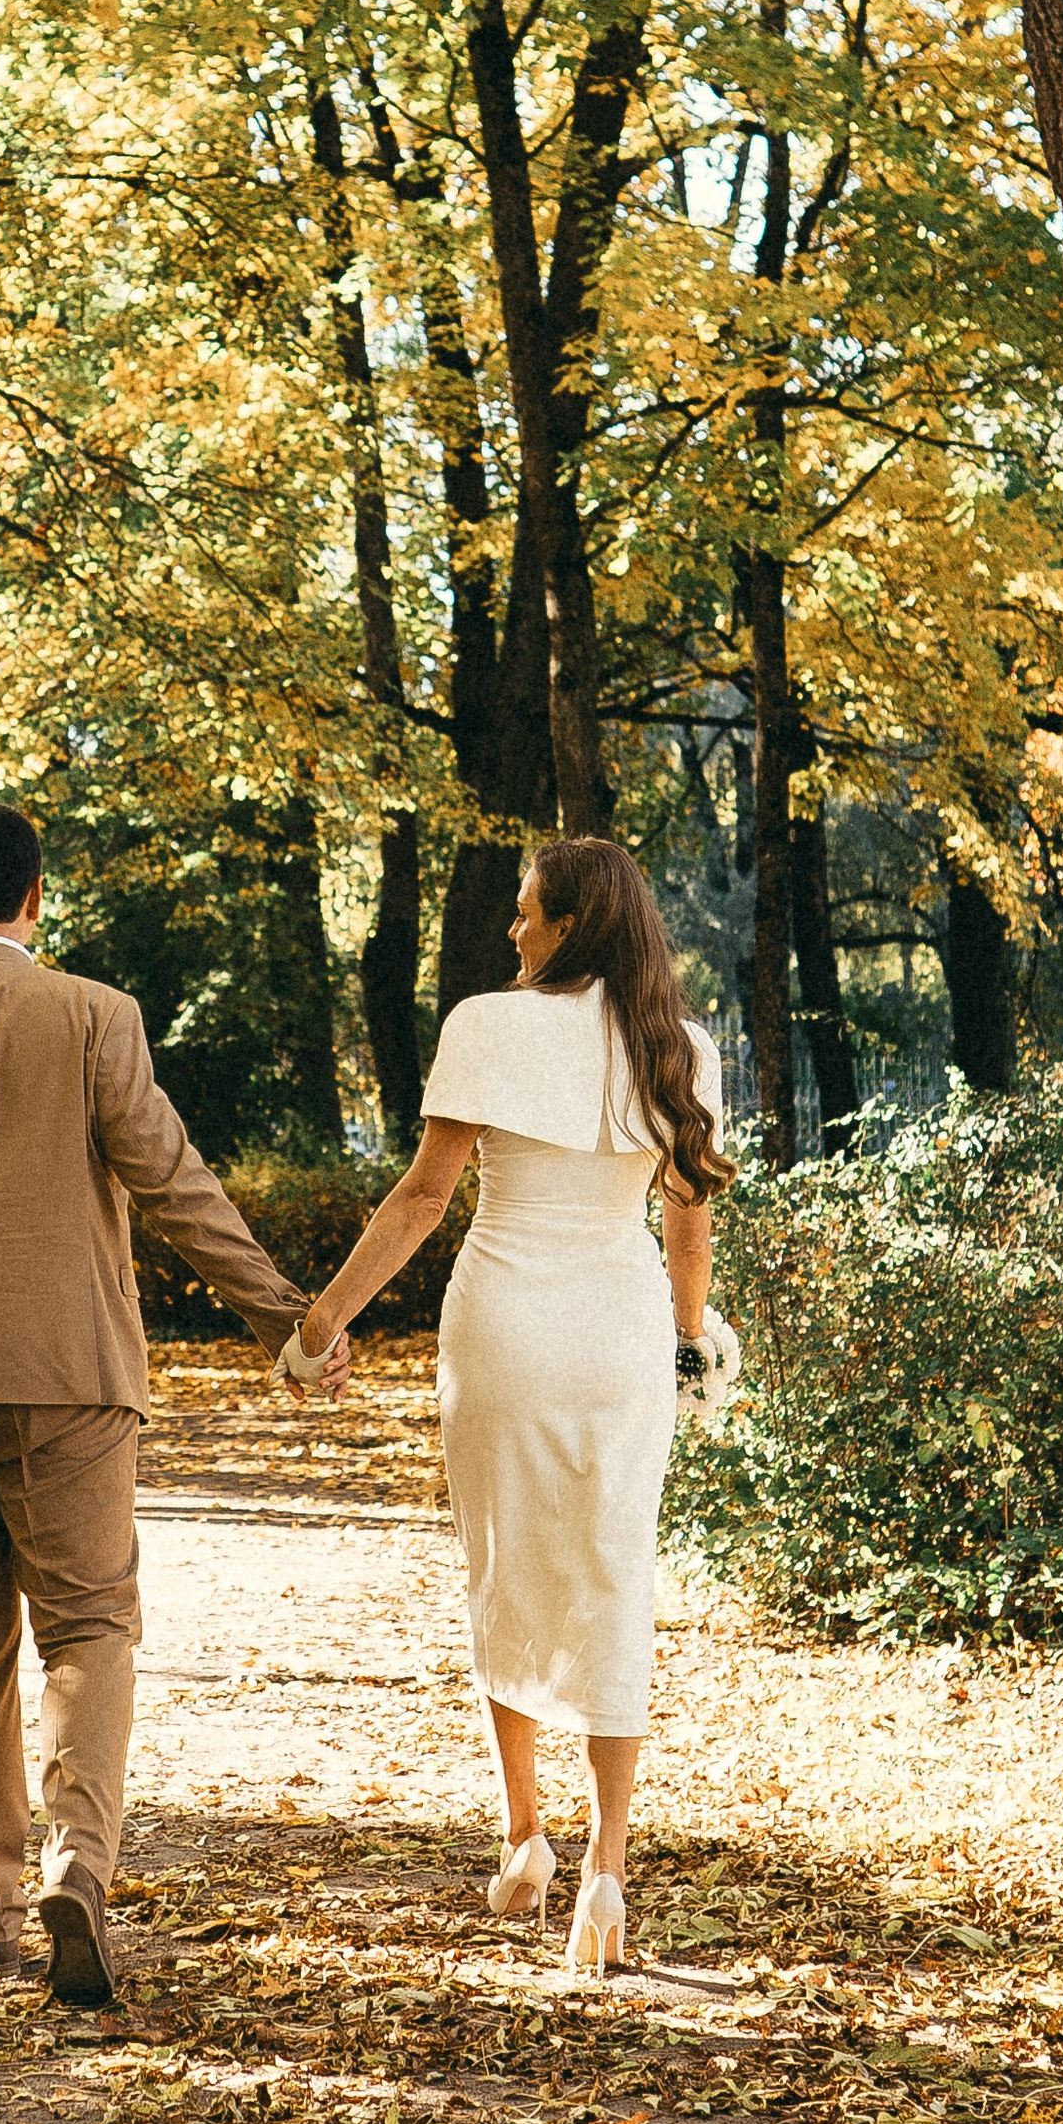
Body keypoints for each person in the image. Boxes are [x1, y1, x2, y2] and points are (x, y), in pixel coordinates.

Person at [0, 798, 350, 2007]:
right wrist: (286, 1321)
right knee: (87, 1625)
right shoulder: (95, 1016)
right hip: (68, 1372)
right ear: (36, 898)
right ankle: (79, 1867)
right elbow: (173, 1181)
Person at [282, 835, 732, 1974]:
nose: (513, 929)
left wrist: (320, 1322)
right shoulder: (680, 1048)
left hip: (504, 1324)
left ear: (570, 925)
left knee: (504, 1560)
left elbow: (423, 1199)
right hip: (620, 1329)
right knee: (615, 1569)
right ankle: (607, 1871)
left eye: (528, 911)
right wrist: (689, 1339)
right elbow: (686, 1220)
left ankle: (525, 1831)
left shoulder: (485, 1023)